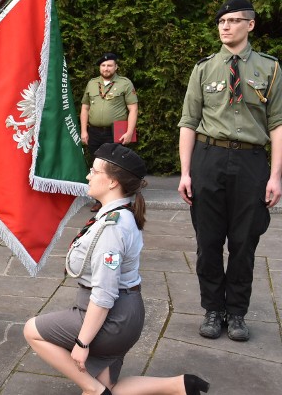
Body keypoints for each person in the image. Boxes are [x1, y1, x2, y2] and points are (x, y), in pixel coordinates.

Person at [24, 143, 210, 395]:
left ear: (112, 182)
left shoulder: (112, 227)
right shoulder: (115, 215)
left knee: (32, 330)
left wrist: (82, 342)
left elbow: (104, 294)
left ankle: (94, 390)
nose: (88, 176)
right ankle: (180, 385)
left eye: (94, 171)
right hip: (125, 313)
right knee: (109, 386)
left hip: (113, 318)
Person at [178, 0, 282, 342]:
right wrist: (185, 172)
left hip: (251, 163)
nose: (226, 26)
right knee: (207, 242)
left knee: (244, 242)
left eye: (235, 20)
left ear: (250, 25)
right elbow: (188, 123)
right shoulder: (204, 68)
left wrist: (275, 175)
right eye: (222, 21)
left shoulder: (270, 69)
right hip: (208, 158)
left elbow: (278, 124)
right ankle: (213, 308)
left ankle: (236, 313)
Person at [80, 53, 138, 212]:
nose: (106, 68)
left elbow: (133, 109)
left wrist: (129, 131)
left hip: (116, 131)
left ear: (116, 67)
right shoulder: (92, 84)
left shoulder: (125, 83)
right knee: (97, 165)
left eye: (110, 65)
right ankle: (100, 199)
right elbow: (85, 108)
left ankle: (119, 197)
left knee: (115, 166)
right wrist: (84, 131)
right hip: (94, 131)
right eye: (103, 66)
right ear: (100, 67)